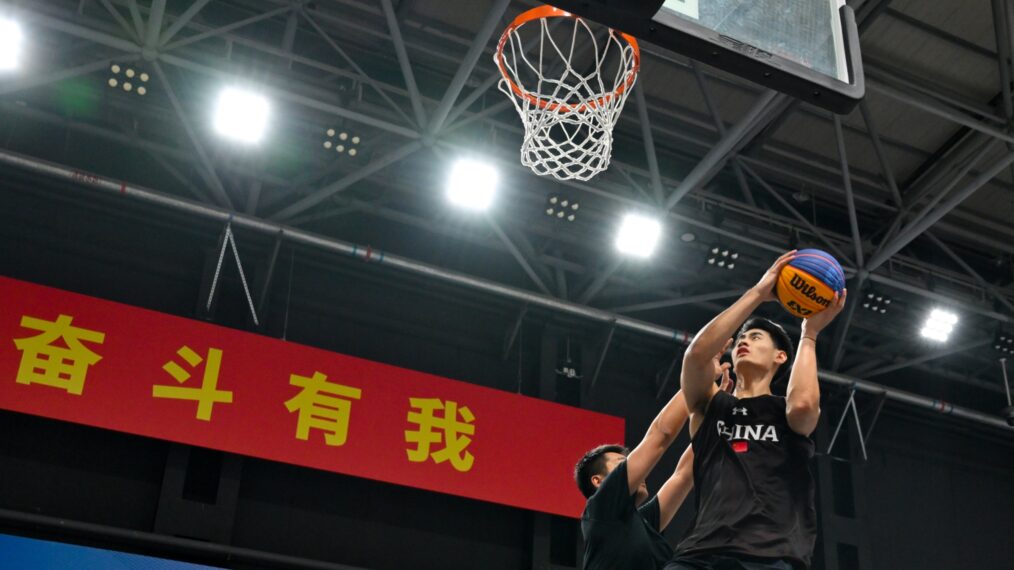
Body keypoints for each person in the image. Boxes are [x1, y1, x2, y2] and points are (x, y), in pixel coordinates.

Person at [666, 251, 847, 570]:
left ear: (780, 357)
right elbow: (695, 356)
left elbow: (804, 405)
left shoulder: (786, 413)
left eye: (756, 336)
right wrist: (760, 292)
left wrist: (810, 334)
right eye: (741, 338)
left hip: (768, 557)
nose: (744, 341)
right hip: (698, 555)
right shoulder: (713, 407)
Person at [575, 355, 733, 570]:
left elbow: (684, 475)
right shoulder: (602, 510)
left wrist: (715, 412)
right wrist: (697, 381)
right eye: (623, 463)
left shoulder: (643, 521)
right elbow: (661, 434)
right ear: (598, 481)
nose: (638, 470)